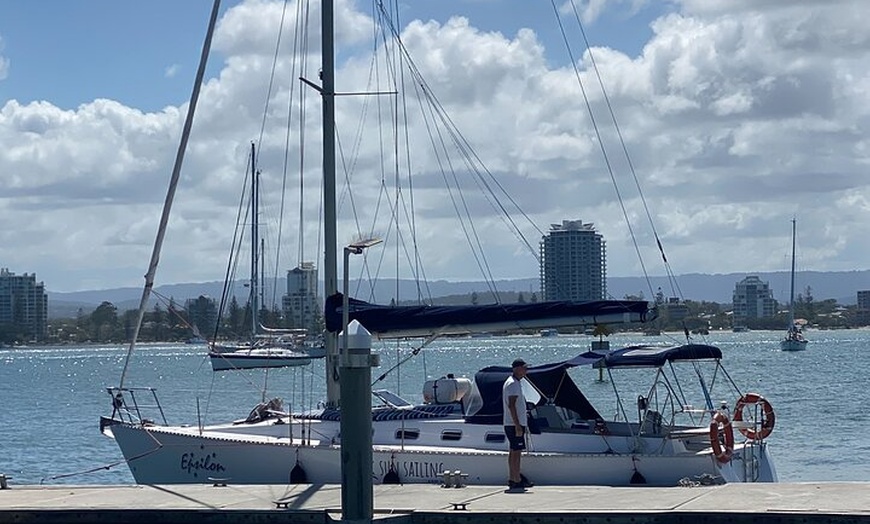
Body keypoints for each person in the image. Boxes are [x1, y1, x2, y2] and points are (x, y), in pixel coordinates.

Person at [503, 357, 533, 489]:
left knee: (514, 450)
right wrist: (517, 425)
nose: (526, 371)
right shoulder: (513, 384)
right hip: (514, 423)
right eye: (524, 368)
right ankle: (516, 479)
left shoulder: (514, 382)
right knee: (517, 452)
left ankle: (513, 477)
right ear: (517, 369)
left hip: (513, 423)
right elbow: (512, 405)